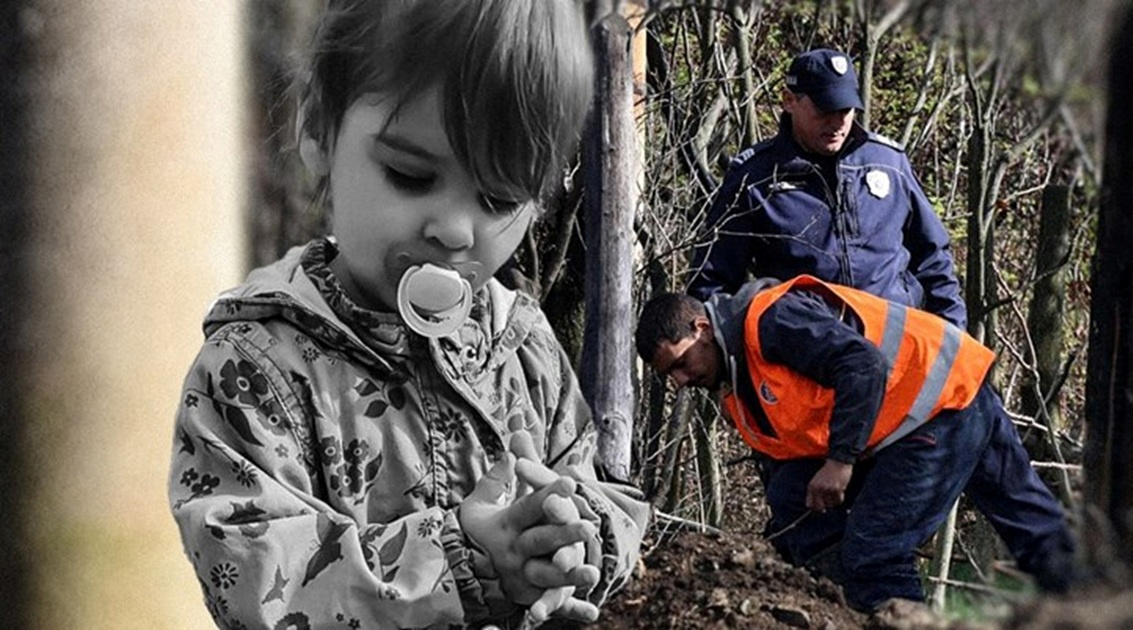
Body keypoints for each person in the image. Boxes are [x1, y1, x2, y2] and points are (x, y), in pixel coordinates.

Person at [167, 1, 649, 628]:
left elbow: (597, 487)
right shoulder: (255, 365)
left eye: (498, 197)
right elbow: (253, 575)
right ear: (319, 129)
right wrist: (461, 563)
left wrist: (568, 541)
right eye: (409, 174)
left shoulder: (521, 347)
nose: (453, 231)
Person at [635, 274, 1076, 612]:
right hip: (937, 403)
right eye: (668, 376)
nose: (680, 381)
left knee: (874, 553)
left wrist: (841, 461)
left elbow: (862, 364)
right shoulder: (737, 386)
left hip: (936, 405)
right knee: (1031, 522)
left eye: (680, 362)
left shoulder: (770, 320)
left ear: (702, 328)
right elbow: (788, 470)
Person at [688, 48, 967, 330]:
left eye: (845, 110)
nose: (837, 123)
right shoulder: (754, 178)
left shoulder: (889, 163)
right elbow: (713, 282)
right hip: (805, 355)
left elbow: (934, 258)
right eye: (824, 111)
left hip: (897, 344)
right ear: (789, 101)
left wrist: (955, 338)